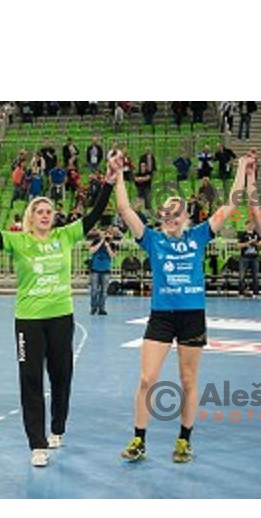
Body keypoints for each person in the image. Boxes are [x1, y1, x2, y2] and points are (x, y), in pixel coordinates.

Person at [0, 156, 121, 467]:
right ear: (30, 216)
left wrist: (107, 182)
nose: (45, 215)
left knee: (61, 375)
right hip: (28, 320)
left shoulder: (64, 236)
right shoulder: (18, 241)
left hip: (60, 316)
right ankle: (37, 444)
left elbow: (94, 216)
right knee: (30, 379)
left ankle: (57, 427)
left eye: (49, 211)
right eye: (39, 211)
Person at [117, 151, 255, 463]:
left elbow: (231, 204)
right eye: (165, 212)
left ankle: (184, 440)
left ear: (185, 216)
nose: (170, 216)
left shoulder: (198, 235)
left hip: (192, 316)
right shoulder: (152, 239)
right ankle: (139, 439)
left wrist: (244, 170)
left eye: (176, 212)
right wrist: (120, 175)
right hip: (161, 318)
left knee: (189, 381)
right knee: (146, 379)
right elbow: (125, 208)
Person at [89, 226, 117, 315]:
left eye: (110, 234)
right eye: (106, 234)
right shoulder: (96, 241)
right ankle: (94, 307)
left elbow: (112, 255)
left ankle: (102, 308)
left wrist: (107, 246)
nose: (108, 235)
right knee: (94, 290)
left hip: (106, 270)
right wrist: (101, 242)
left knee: (104, 291)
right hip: (95, 269)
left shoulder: (113, 245)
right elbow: (91, 251)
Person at [237, 220, 259, 297]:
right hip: (244, 258)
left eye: (252, 224)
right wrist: (248, 243)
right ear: (246, 226)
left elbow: (259, 244)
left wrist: (255, 243)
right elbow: (238, 245)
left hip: (254, 258)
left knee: (255, 276)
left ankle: (256, 293)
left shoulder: (256, 234)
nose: (251, 226)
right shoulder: (242, 234)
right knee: (241, 276)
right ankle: (241, 292)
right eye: (249, 225)